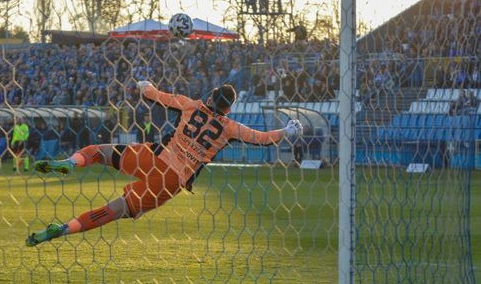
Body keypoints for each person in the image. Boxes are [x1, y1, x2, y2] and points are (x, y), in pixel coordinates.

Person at [26, 81, 302, 246]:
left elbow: (154, 95)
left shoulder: (190, 104)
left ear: (210, 96)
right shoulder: (230, 128)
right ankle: (62, 229)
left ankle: (70, 163)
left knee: (99, 151)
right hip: (170, 181)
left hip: (153, 156)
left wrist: (143, 85)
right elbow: (264, 139)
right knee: (113, 211)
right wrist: (288, 131)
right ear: (228, 108)